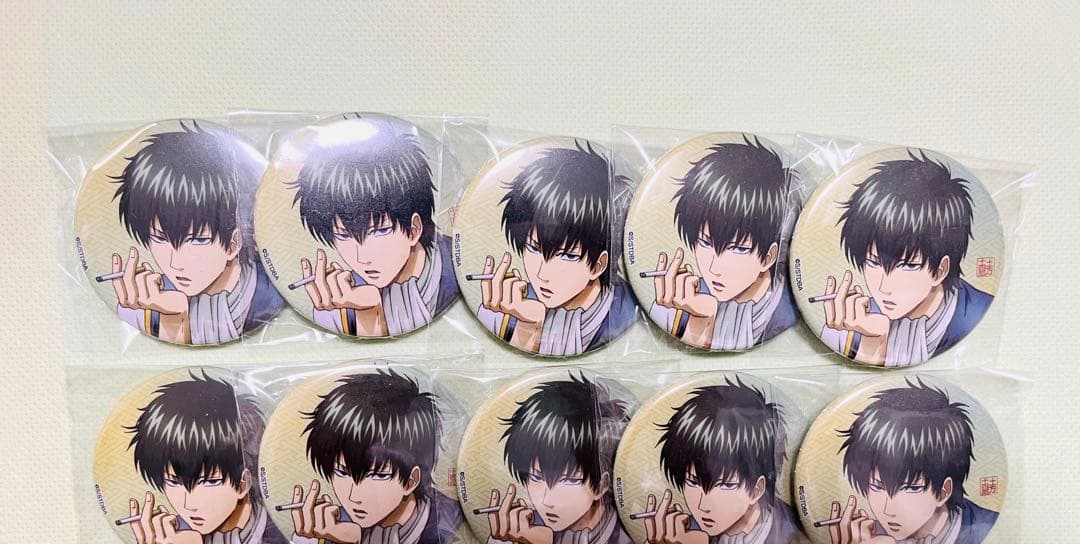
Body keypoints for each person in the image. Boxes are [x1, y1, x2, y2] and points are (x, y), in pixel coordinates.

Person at [110, 121, 282, 344]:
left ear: (234, 243)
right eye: (159, 238)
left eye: (198, 239)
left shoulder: (269, 289)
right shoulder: (149, 300)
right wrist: (173, 317)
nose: (176, 263)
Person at [818, 151, 991, 366]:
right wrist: (873, 338)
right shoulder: (850, 325)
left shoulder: (977, 315)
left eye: (908, 265)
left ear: (940, 270)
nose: (884, 288)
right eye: (873, 262)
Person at [290, 118, 457, 337]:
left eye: (380, 231)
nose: (363, 258)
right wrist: (368, 312)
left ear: (415, 228)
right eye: (343, 235)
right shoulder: (340, 301)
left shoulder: (455, 268)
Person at [474, 141, 637, 356]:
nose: (542, 274)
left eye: (567, 255)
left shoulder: (626, 309)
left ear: (599, 265)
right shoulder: (505, 307)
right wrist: (528, 326)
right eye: (533, 248)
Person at [827, 379, 997, 544]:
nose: (887, 510)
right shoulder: (862, 539)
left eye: (910, 488)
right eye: (877, 486)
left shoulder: (982, 527)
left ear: (944, 491)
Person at [289, 370, 459, 544]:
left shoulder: (447, 520)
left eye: (378, 475)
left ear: (411, 480)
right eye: (342, 472)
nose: (354, 497)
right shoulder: (324, 530)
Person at [649, 137, 798, 350]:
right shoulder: (679, 300)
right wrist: (700, 317)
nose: (714, 268)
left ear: (768, 257)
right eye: (705, 242)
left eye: (738, 248)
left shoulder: (787, 306)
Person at [123, 372, 277, 544]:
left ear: (243, 483)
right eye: (174, 481)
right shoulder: (165, 543)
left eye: (210, 481)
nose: (189, 504)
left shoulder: (277, 534)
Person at [641, 380, 799, 544]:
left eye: (725, 484)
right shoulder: (675, 538)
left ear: (757, 489)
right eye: (693, 482)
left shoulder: (785, 527)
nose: (703, 506)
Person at [484, 375, 630, 544]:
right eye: (536, 477)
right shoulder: (515, 535)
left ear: (602, 485)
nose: (547, 501)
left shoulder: (623, 534)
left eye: (569, 479)